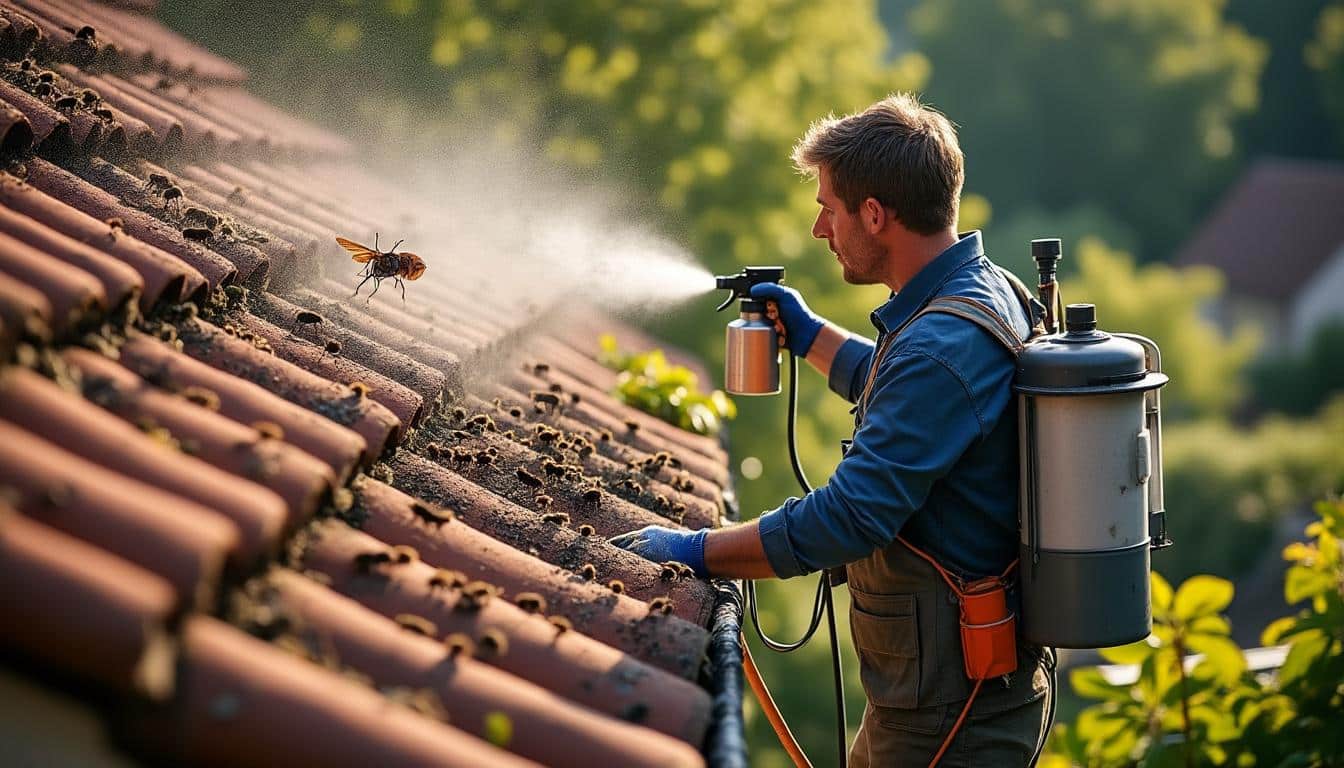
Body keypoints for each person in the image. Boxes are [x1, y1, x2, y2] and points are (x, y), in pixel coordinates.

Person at [609, 93, 1051, 766]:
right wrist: (811, 335)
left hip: (950, 719)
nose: (820, 228)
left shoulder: (940, 347)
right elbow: (909, 395)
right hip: (935, 697)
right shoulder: (980, 292)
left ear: (874, 214)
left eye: (829, 208)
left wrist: (694, 549)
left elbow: (849, 518)